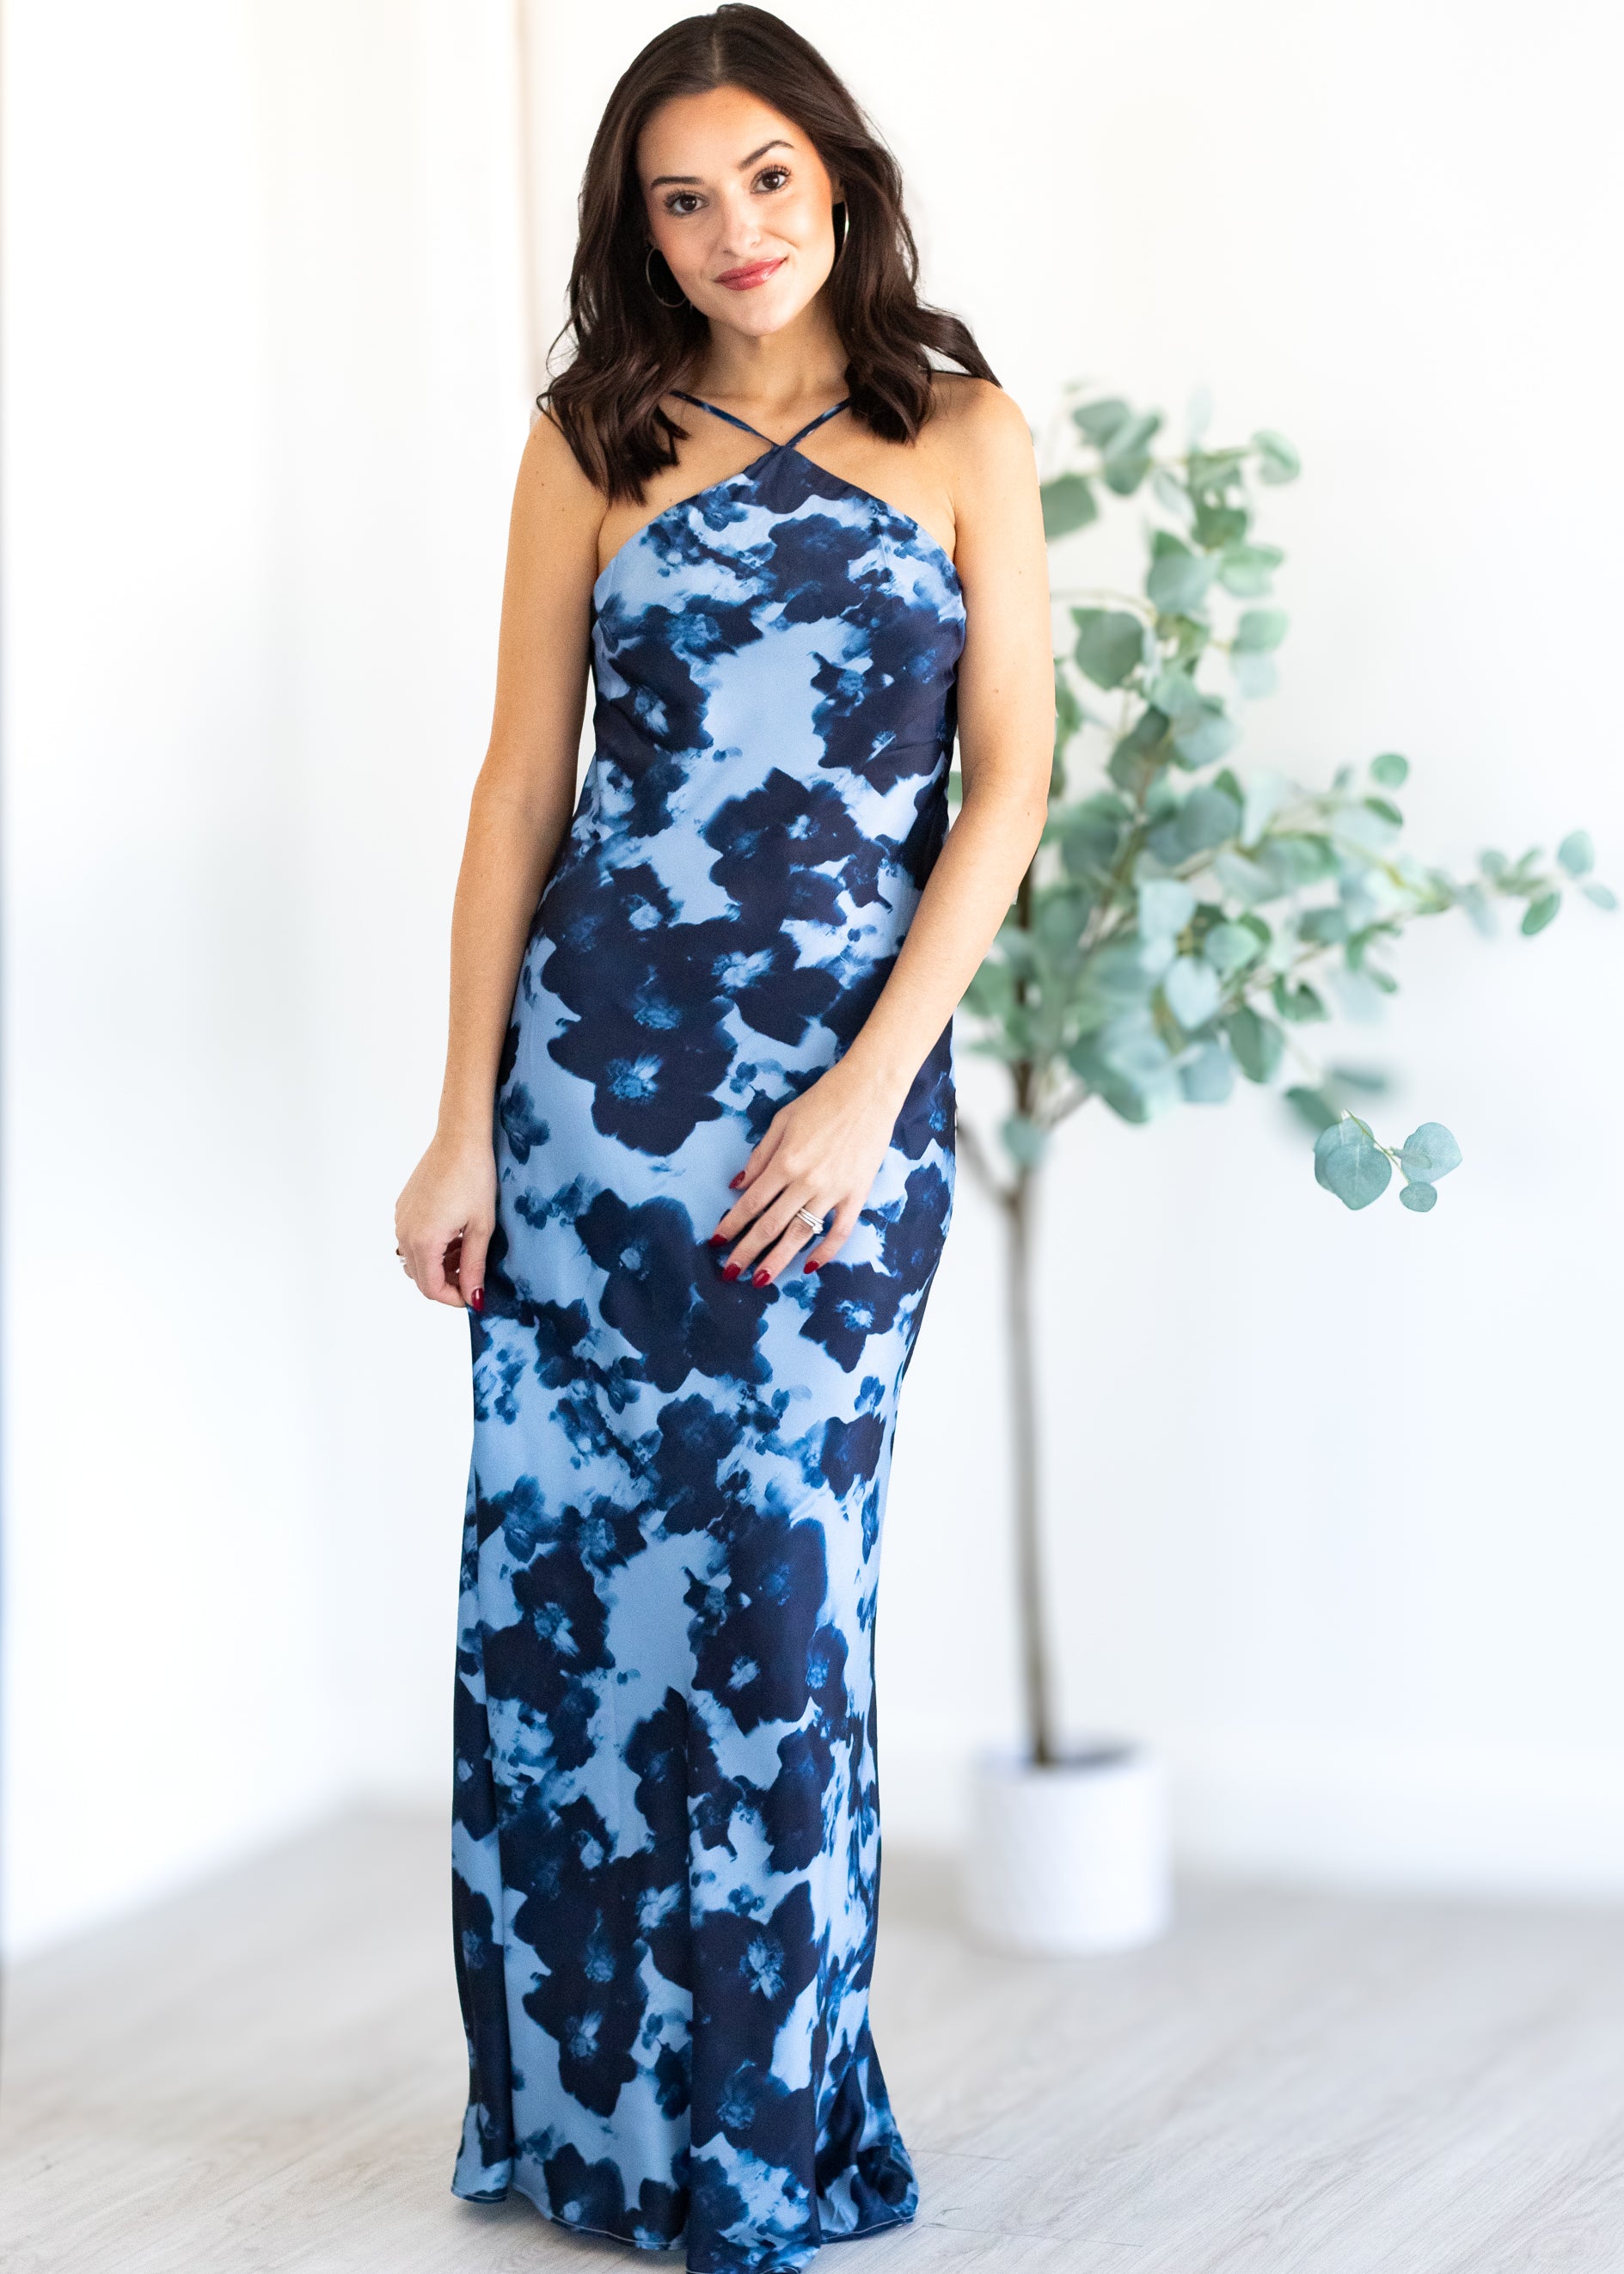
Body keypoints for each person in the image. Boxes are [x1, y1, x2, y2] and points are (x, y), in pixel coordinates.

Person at [393, 8, 1051, 2267]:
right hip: (590, 1098)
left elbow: (1009, 792)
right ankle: (579, 2132)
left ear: (839, 180)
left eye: (765, 179)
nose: (733, 232)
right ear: (635, 227)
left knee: (777, 1614)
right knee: (572, 1612)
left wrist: (870, 1087)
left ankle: (755, 2142)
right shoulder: (590, 441)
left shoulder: (962, 432)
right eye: (682, 197)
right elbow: (516, 794)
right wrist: (458, 1127)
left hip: (832, 1122)